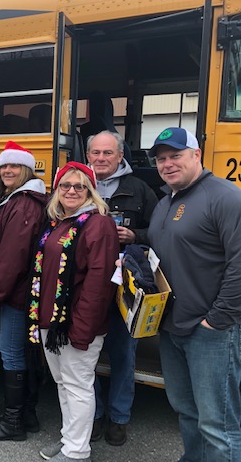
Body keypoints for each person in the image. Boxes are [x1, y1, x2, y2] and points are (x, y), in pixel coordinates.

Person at [147, 127, 241, 461]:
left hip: (210, 333)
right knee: (186, 412)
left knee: (220, 425)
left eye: (175, 156)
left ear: (196, 155)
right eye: (161, 159)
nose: (167, 164)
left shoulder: (225, 196)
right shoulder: (164, 202)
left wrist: (216, 321)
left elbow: (239, 264)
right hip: (173, 329)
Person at [33, 162, 119, 462]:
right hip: (53, 323)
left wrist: (81, 330)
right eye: (65, 185)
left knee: (78, 384)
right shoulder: (62, 222)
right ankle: (70, 439)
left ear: (90, 192)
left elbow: (98, 284)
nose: (71, 191)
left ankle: (77, 451)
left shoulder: (99, 225)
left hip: (76, 326)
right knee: (64, 383)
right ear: (57, 190)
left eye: (79, 186)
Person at [86, 130, 158, 446]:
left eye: (107, 153)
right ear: (88, 155)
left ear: (120, 156)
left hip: (123, 284)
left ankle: (118, 418)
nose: (101, 159)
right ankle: (95, 413)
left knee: (123, 353)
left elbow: (161, 230)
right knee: (84, 353)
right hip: (85, 283)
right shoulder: (76, 184)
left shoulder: (139, 189)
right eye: (95, 153)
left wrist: (136, 237)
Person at [0, 141, 47, 442]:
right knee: (24, 352)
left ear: (26, 169)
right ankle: (26, 414)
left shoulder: (24, 203)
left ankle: (13, 423)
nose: (7, 170)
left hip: (16, 294)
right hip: (19, 291)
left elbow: (11, 257)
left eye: (13, 166)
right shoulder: (19, 199)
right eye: (3, 166)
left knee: (12, 354)